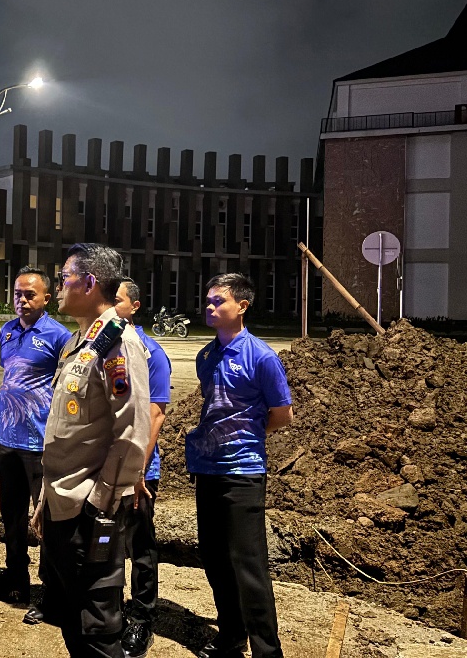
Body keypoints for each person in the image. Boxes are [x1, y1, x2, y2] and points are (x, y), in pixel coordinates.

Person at [32, 243, 151, 658]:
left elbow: (132, 431)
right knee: (70, 619)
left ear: (89, 282)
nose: (59, 286)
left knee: (97, 631)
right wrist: (47, 498)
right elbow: (68, 428)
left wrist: (101, 501)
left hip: (89, 510)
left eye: (64, 278)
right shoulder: (83, 341)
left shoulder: (119, 342)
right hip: (62, 504)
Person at [188, 273, 292, 658]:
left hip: (243, 473)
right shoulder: (206, 355)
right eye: (208, 301)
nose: (210, 307)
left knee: (249, 565)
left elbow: (282, 414)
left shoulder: (262, 356)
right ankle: (231, 636)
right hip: (207, 469)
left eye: (219, 301)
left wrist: (244, 435)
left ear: (242, 306)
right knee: (214, 560)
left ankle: (268, 650)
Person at [0, 267, 70, 608]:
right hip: (8, 441)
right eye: (17, 293)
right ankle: (16, 579)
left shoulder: (59, 337)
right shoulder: (6, 332)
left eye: (29, 294)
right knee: (11, 516)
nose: (21, 299)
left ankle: (51, 592)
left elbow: (66, 388)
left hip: (41, 445)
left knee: (46, 520)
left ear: (47, 298)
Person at [114, 278, 171, 658]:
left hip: (138, 474)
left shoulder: (152, 354)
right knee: (108, 543)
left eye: (116, 300)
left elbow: (155, 415)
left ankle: (142, 618)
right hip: (105, 470)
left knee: (140, 546)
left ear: (134, 307)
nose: (110, 306)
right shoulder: (104, 348)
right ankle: (111, 611)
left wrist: (137, 469)